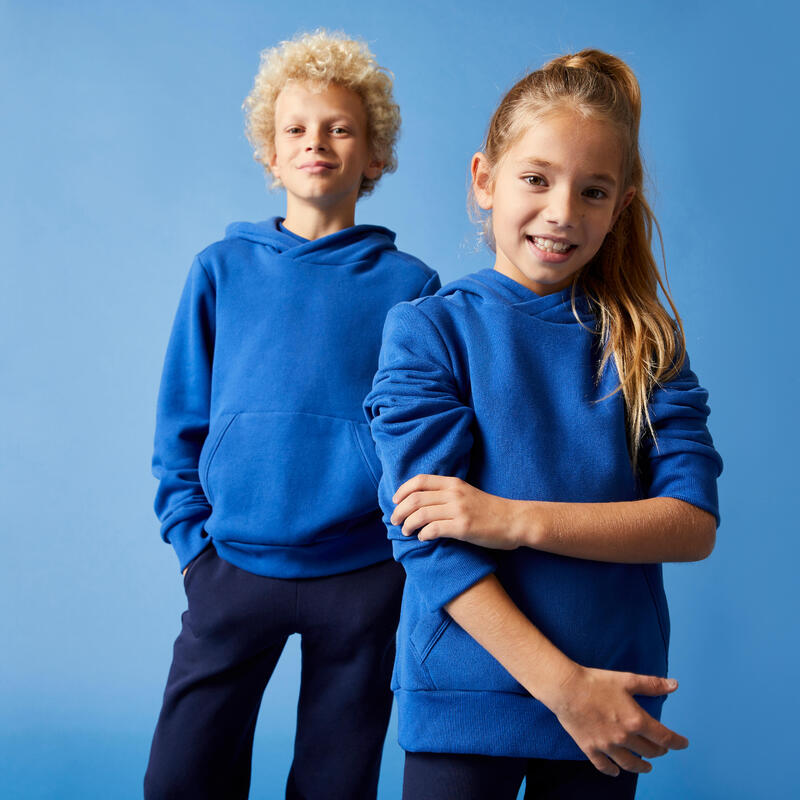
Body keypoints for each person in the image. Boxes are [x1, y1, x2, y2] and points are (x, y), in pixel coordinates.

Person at [364, 49, 722, 800]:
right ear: (484, 181)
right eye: (536, 178)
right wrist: (563, 687)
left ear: (620, 205)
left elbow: (690, 524)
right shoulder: (428, 330)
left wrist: (512, 519)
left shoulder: (646, 344)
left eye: (592, 191)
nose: (562, 212)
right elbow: (426, 537)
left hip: (611, 698)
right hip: (468, 694)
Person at [144, 30, 440, 800]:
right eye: (297, 130)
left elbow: (421, 431)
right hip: (232, 566)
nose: (318, 143)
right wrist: (192, 547)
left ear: (374, 157)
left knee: (335, 785)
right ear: (270, 156)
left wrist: (397, 550)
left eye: (341, 129)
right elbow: (180, 421)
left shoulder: (411, 284)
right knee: (182, 781)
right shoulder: (220, 269)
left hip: (363, 574)